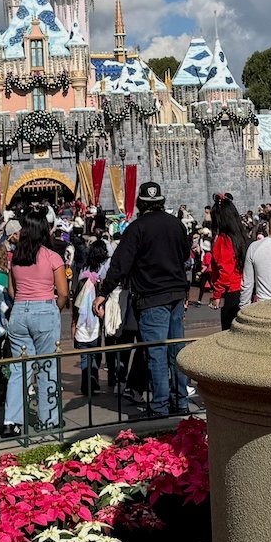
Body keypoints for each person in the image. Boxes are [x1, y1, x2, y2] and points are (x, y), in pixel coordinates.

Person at [99, 180, 193, 419]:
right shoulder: (176, 225)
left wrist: (103, 292)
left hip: (152, 297)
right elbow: (185, 257)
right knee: (177, 351)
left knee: (156, 353)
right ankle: (180, 401)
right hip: (176, 294)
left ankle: (160, 406)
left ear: (140, 203)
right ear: (160, 201)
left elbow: (120, 264)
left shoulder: (136, 228)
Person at [2, 215, 70, 439]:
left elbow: (12, 292)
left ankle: (12, 421)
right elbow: (63, 292)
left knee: (20, 369)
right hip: (44, 309)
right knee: (47, 366)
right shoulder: (52, 257)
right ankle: (48, 419)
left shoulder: (16, 258)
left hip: (19, 312)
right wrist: (54, 309)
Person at [203, 194, 247, 330]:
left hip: (231, 291)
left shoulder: (224, 240)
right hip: (242, 288)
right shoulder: (240, 237)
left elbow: (225, 271)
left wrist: (217, 294)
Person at [73, 238, 107, 398]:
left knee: (85, 357)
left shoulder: (84, 270)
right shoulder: (103, 268)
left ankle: (86, 385)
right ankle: (93, 381)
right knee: (96, 353)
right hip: (96, 317)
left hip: (81, 321)